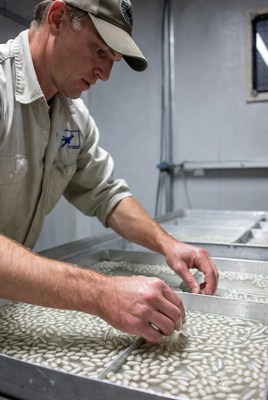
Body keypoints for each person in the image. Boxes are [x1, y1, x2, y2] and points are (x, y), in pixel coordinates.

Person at [0, 0, 218, 343]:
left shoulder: (73, 117)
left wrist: (168, 244)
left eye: (112, 60)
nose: (105, 74)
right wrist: (101, 293)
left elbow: (107, 194)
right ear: (57, 18)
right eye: (99, 51)